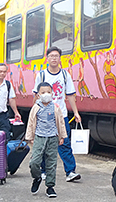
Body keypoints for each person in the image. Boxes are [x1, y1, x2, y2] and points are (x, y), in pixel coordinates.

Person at [34, 47, 81, 182]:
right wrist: (35, 113)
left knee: (64, 143)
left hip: (61, 115)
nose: (54, 58)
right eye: (51, 56)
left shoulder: (65, 75)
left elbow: (70, 95)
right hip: (44, 116)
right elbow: (35, 96)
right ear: (47, 58)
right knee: (43, 144)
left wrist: (76, 112)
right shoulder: (41, 75)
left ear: (60, 59)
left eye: (56, 56)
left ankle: (70, 172)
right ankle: (43, 171)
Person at [26, 82, 67, 198]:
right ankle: (37, 177)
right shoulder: (36, 107)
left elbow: (61, 122)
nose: (46, 95)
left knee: (51, 163)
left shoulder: (55, 107)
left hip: (52, 137)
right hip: (39, 137)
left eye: (49, 92)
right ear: (38, 95)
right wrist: (30, 138)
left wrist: (62, 136)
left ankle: (50, 187)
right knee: (34, 162)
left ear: (52, 93)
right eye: (43, 92)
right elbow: (30, 123)